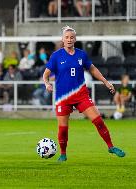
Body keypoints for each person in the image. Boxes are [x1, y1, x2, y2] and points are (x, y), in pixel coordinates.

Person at [42, 26, 125, 162]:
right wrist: (47, 84)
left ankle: (111, 146)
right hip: (63, 98)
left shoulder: (81, 54)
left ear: (75, 39)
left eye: (71, 37)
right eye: (66, 37)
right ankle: (63, 154)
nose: (69, 39)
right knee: (63, 129)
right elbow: (45, 75)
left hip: (81, 95)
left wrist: (106, 82)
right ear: (62, 39)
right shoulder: (56, 56)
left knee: (98, 120)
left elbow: (93, 70)